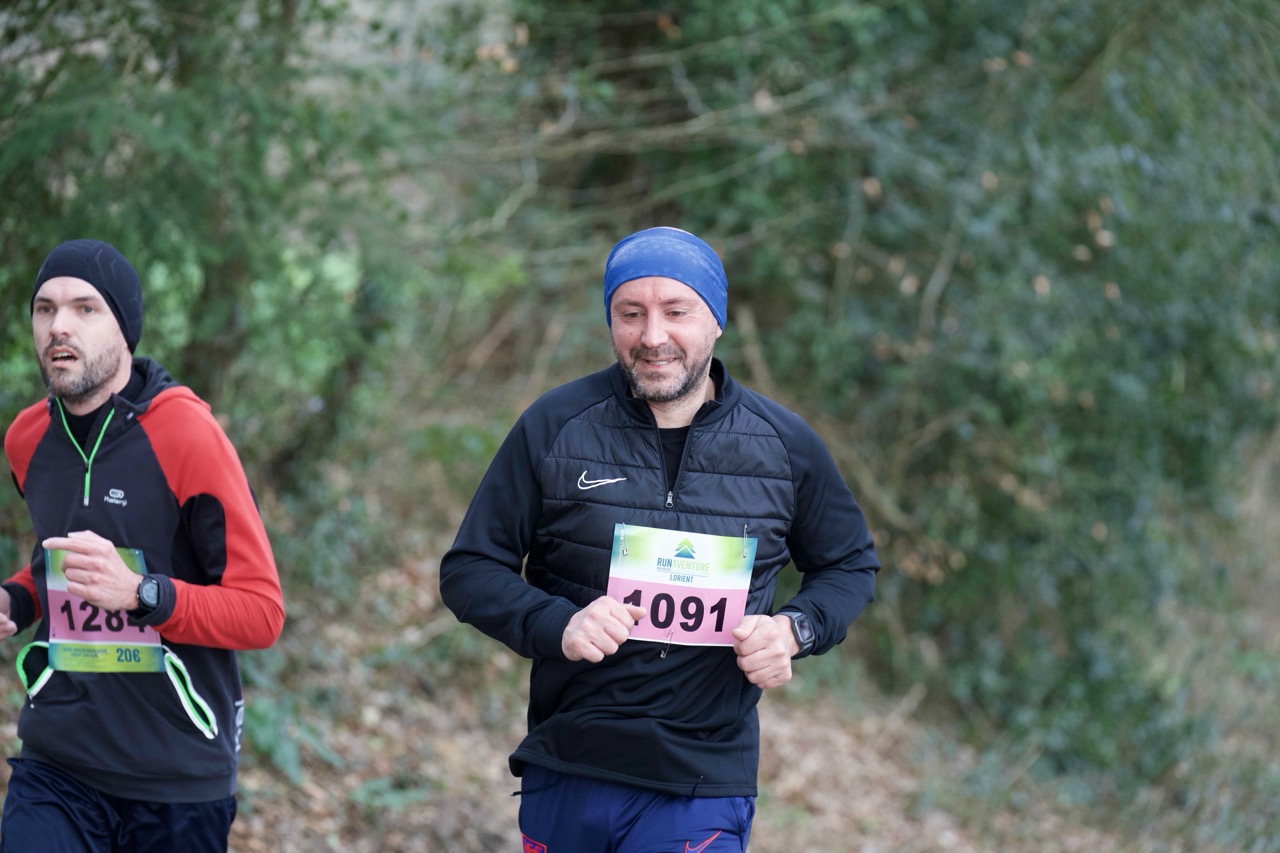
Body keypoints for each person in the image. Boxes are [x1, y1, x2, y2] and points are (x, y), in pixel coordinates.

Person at [439, 226, 880, 852]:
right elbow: (470, 570)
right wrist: (558, 624)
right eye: (631, 313)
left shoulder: (784, 445)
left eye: (676, 312)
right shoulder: (555, 426)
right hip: (571, 762)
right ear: (610, 321)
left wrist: (795, 630)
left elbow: (850, 564)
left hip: (701, 778)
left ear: (716, 320)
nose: (652, 336)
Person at [0, 238, 285, 851]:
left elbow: (262, 612)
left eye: (85, 308)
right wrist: (16, 601)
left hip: (176, 775)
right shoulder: (27, 440)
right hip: (58, 761)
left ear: (124, 329)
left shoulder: (187, 435)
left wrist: (141, 595)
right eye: (45, 309)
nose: (59, 326)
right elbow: (54, 563)